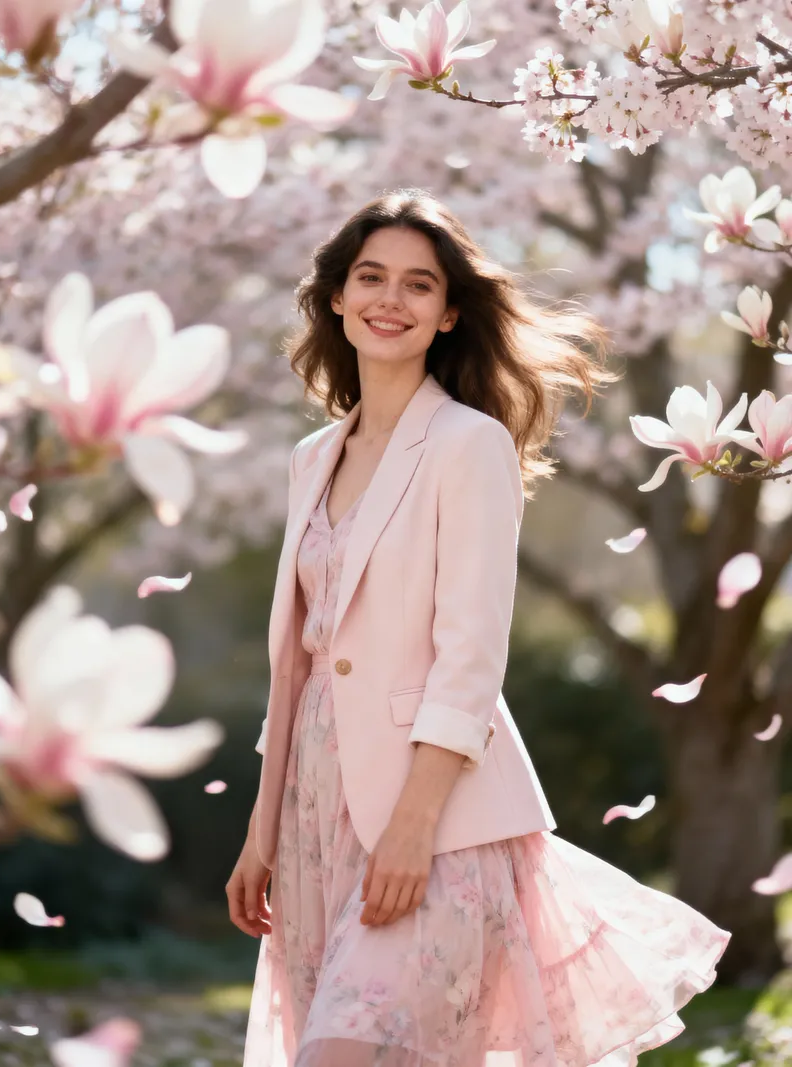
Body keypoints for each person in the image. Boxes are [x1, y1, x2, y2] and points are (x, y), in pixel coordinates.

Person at [227, 188, 730, 1067]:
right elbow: (295, 664)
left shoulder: (470, 444)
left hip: (439, 808)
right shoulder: (313, 458)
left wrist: (415, 825)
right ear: (336, 297)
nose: (391, 299)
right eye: (370, 277)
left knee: (345, 1050)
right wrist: (260, 829)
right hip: (313, 801)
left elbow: (472, 652)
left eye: (419, 285)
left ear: (449, 311)